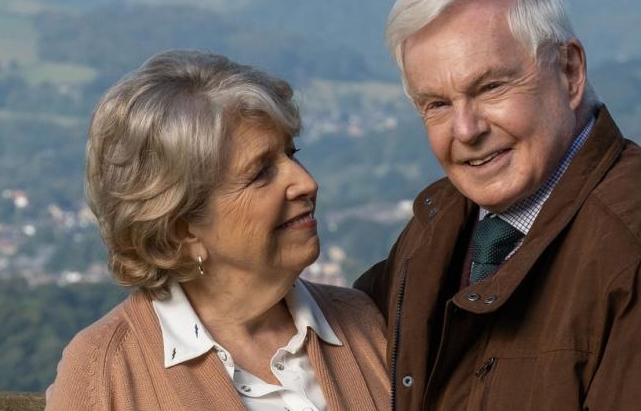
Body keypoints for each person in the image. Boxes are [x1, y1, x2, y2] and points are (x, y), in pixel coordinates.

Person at [355, 0, 641, 410]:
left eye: (492, 87)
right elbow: (336, 332)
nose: (465, 130)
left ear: (570, 71)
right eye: (436, 104)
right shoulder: (440, 225)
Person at [47, 50, 389, 411]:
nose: (306, 182)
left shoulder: (364, 323)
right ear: (182, 229)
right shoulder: (106, 372)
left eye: (292, 153)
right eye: (261, 173)